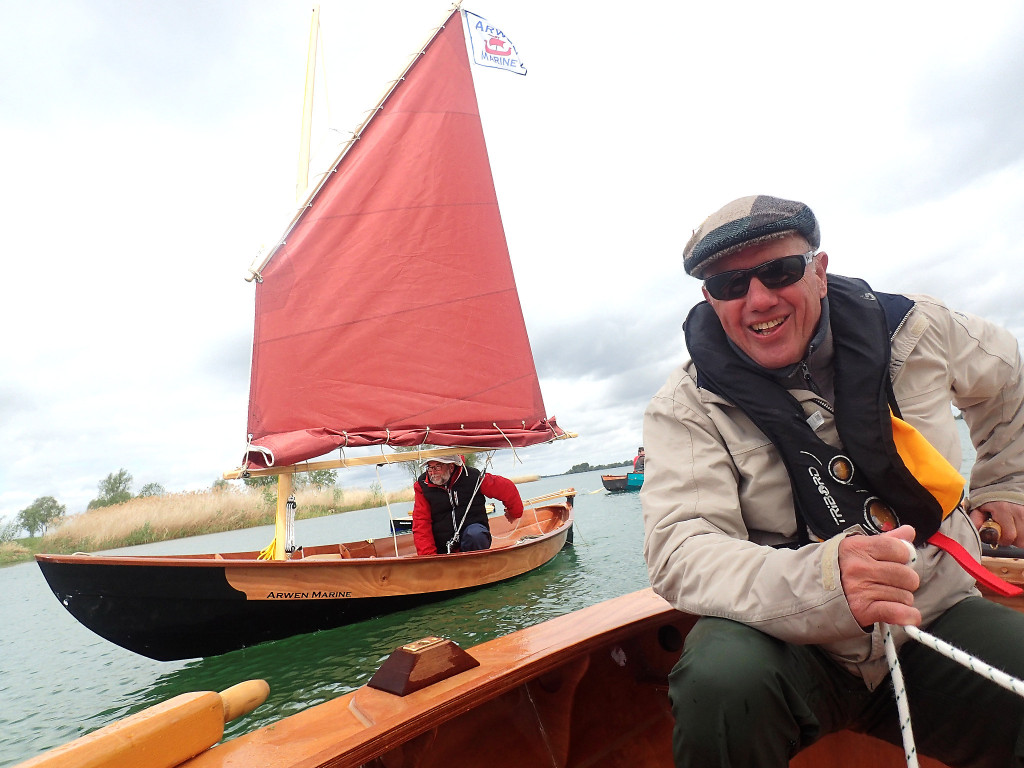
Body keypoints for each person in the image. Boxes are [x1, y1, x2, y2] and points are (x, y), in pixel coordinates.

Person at [641, 194, 1024, 767]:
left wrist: (1007, 484)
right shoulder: (686, 406)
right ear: (709, 301)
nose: (759, 299)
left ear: (819, 272)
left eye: (780, 271)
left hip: (935, 614)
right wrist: (823, 581)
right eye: (730, 285)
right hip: (788, 643)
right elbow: (680, 548)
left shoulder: (920, 332)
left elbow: (1007, 381)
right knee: (721, 681)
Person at [411, 454, 525, 555]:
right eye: (429, 468)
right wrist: (429, 558)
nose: (432, 473)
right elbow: (421, 522)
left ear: (451, 466)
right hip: (442, 546)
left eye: (437, 467)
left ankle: (476, 565)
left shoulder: (473, 477)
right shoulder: (422, 486)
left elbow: (506, 488)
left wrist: (515, 513)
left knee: (475, 534)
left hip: (473, 539)